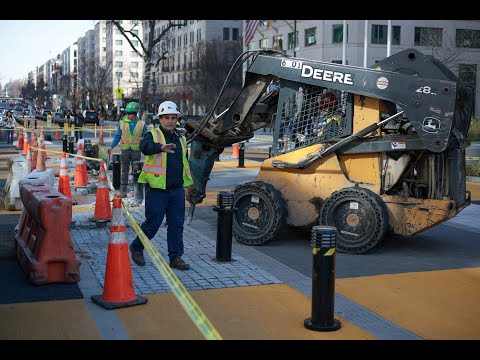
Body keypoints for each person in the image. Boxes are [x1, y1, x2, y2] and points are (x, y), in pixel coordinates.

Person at [129, 100, 193, 270]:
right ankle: (136, 247)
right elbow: (145, 147)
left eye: (173, 117)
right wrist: (160, 147)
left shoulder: (181, 137)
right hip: (157, 189)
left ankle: (175, 257)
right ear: (160, 119)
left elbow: (183, 162)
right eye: (166, 118)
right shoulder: (153, 134)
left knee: (176, 224)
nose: (170, 121)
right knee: (153, 223)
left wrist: (187, 186)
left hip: (176, 189)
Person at [107, 102, 148, 198]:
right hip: (125, 150)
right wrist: (111, 146)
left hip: (136, 151)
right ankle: (123, 191)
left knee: (137, 172)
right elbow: (117, 136)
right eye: (128, 113)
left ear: (135, 114)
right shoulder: (122, 123)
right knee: (124, 171)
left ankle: (137, 192)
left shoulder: (141, 124)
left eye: (132, 114)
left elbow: (146, 138)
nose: (129, 115)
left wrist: (147, 149)